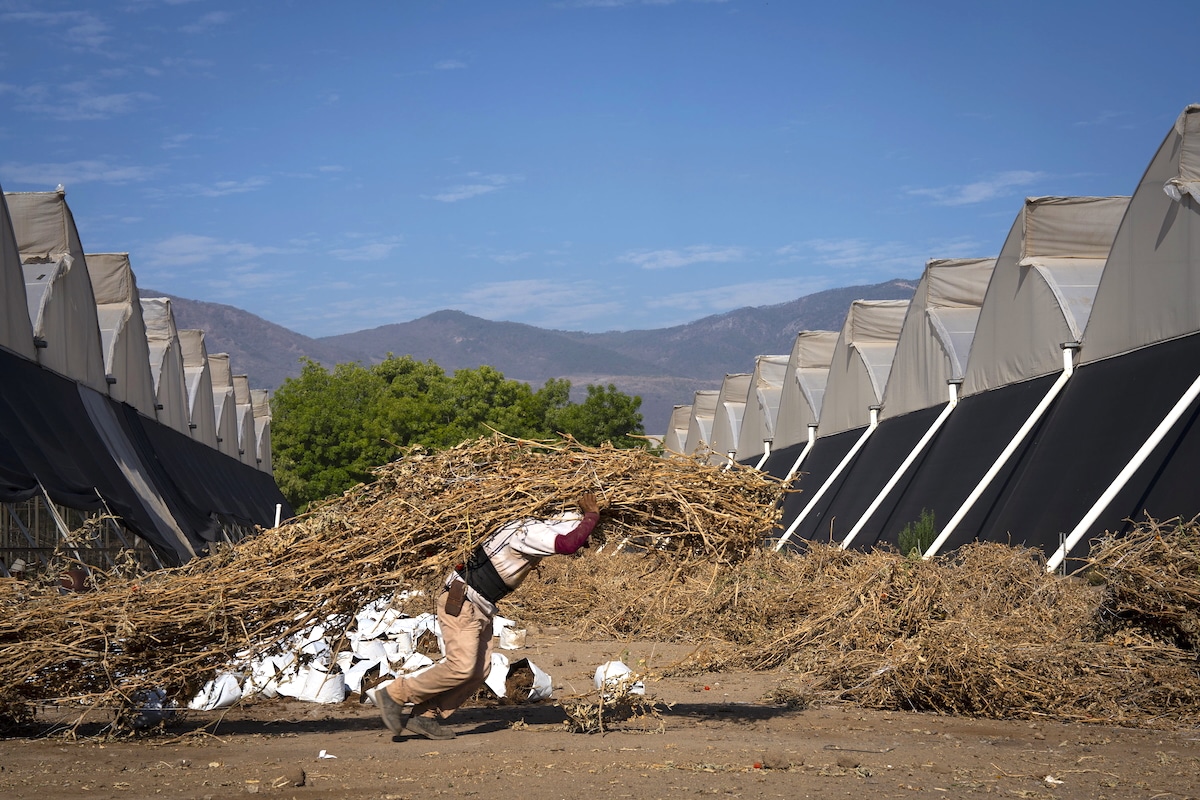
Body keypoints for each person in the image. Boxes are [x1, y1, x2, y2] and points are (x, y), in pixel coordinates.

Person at [378, 491, 602, 740]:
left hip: (480, 605)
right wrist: (592, 515)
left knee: (478, 671)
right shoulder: (527, 530)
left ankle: (425, 715)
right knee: (461, 667)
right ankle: (395, 693)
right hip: (463, 601)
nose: (585, 541)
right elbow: (568, 544)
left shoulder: (528, 527)